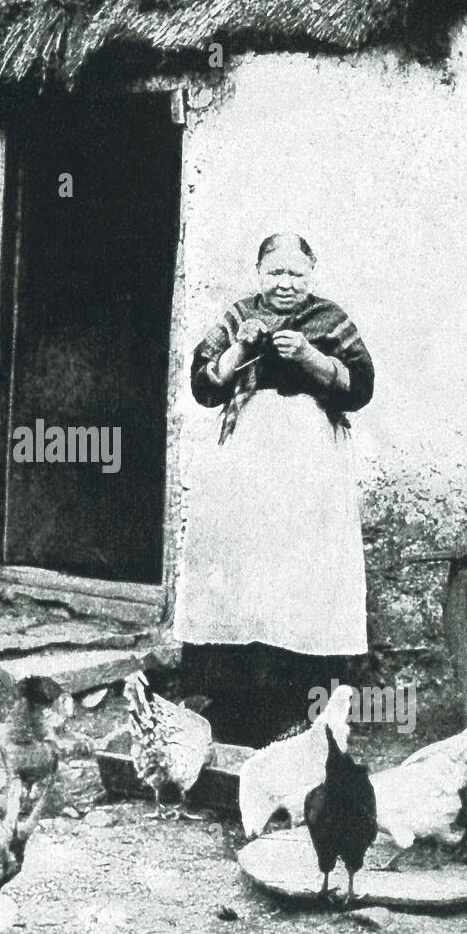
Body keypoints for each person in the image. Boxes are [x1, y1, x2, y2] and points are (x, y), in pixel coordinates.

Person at [175, 232, 374, 738]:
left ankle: (303, 708)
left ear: (312, 275)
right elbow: (202, 385)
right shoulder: (238, 314)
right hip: (244, 463)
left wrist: (309, 356)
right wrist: (241, 346)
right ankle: (235, 706)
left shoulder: (331, 320)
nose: (285, 283)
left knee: (300, 571)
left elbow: (361, 387)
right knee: (243, 568)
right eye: (275, 273)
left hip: (309, 467)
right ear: (259, 273)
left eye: (296, 274)